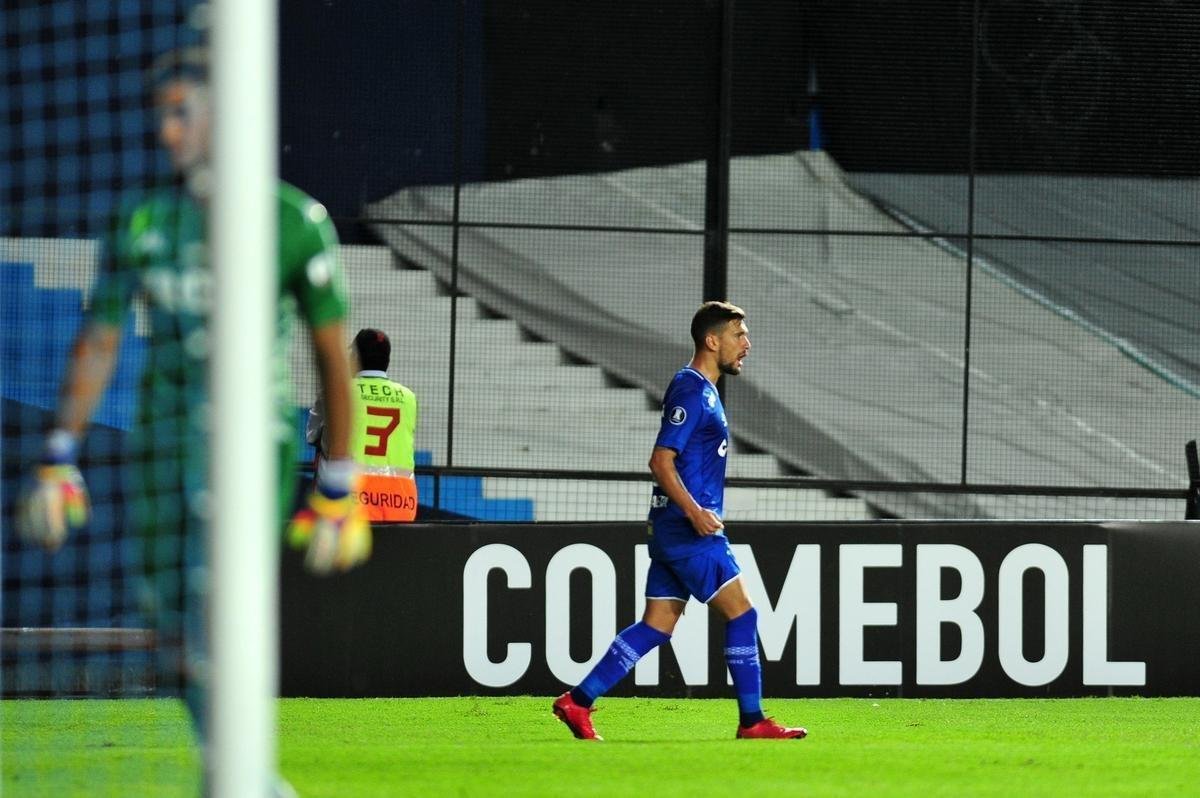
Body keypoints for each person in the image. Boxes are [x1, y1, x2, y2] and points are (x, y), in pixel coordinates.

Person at [15, 46, 370, 790]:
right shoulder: (143, 219)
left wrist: (339, 482)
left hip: (254, 437)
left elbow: (333, 359)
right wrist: (59, 453)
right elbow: (99, 339)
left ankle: (249, 783)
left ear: (224, 116)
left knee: (217, 595)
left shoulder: (293, 220)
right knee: (171, 626)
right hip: (162, 436)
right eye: (161, 118)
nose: (168, 133)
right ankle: (240, 777)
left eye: (181, 114)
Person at [553, 301, 807, 741]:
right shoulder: (692, 389)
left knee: (656, 625)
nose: (746, 344)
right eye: (738, 335)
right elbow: (660, 459)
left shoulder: (703, 390)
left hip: (671, 528)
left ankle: (578, 701)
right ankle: (752, 721)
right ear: (712, 340)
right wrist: (695, 512)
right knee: (743, 616)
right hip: (689, 531)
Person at [307, 328, 419, 522]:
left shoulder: (338, 391)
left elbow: (312, 435)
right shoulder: (409, 398)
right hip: (400, 502)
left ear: (355, 357)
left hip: (348, 499)